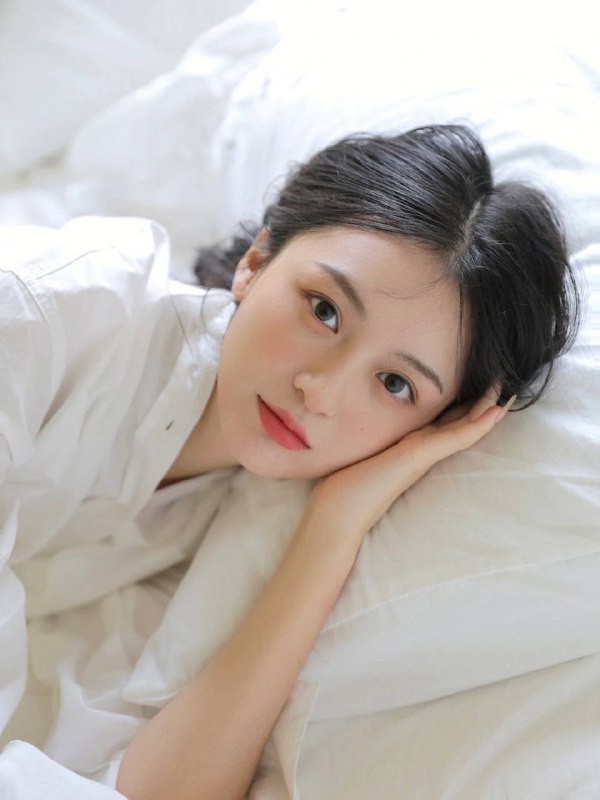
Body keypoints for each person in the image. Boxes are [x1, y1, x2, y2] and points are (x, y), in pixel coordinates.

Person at [0, 125, 581, 800]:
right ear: (257, 260)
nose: (321, 392)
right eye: (325, 311)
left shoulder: (248, 511)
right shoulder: (41, 317)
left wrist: (336, 525)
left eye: (395, 384)